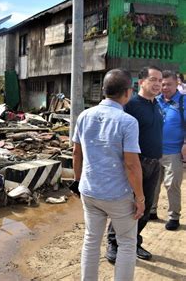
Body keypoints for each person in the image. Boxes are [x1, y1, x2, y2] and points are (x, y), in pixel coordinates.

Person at [73, 69, 144, 281]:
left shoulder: (84, 116)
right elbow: (132, 165)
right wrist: (139, 198)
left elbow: (77, 153)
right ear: (128, 92)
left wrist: (78, 182)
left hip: (89, 191)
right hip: (117, 195)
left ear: (104, 90)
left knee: (91, 240)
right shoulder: (128, 121)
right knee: (126, 243)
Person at [106, 66, 163, 263]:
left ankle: (135, 241)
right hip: (135, 164)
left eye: (160, 81)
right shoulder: (130, 105)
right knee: (126, 206)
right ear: (141, 82)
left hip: (155, 164)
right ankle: (113, 243)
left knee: (145, 208)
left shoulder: (157, 104)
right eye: (154, 79)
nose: (158, 84)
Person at [150, 70, 184, 230]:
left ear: (177, 84)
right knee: (154, 183)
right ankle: (152, 210)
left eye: (169, 84)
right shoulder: (155, 101)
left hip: (174, 152)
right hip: (154, 151)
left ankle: (174, 217)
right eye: (162, 84)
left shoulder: (183, 102)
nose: (165, 87)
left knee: (172, 185)